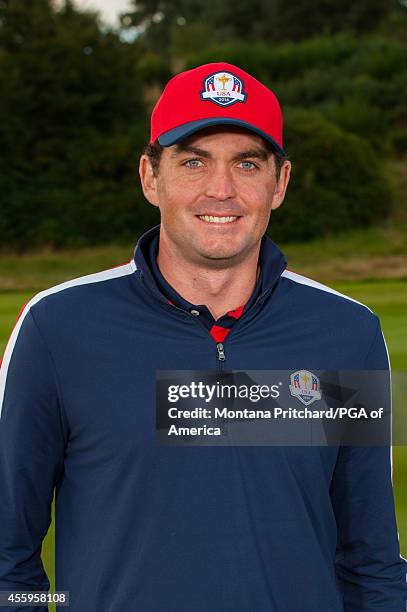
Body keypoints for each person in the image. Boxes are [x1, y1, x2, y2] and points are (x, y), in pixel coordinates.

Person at [0, 62, 406, 611]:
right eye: (193, 161)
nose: (221, 189)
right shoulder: (57, 328)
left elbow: (373, 563)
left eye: (246, 163)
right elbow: (7, 558)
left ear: (280, 182)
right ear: (150, 177)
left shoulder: (346, 332)